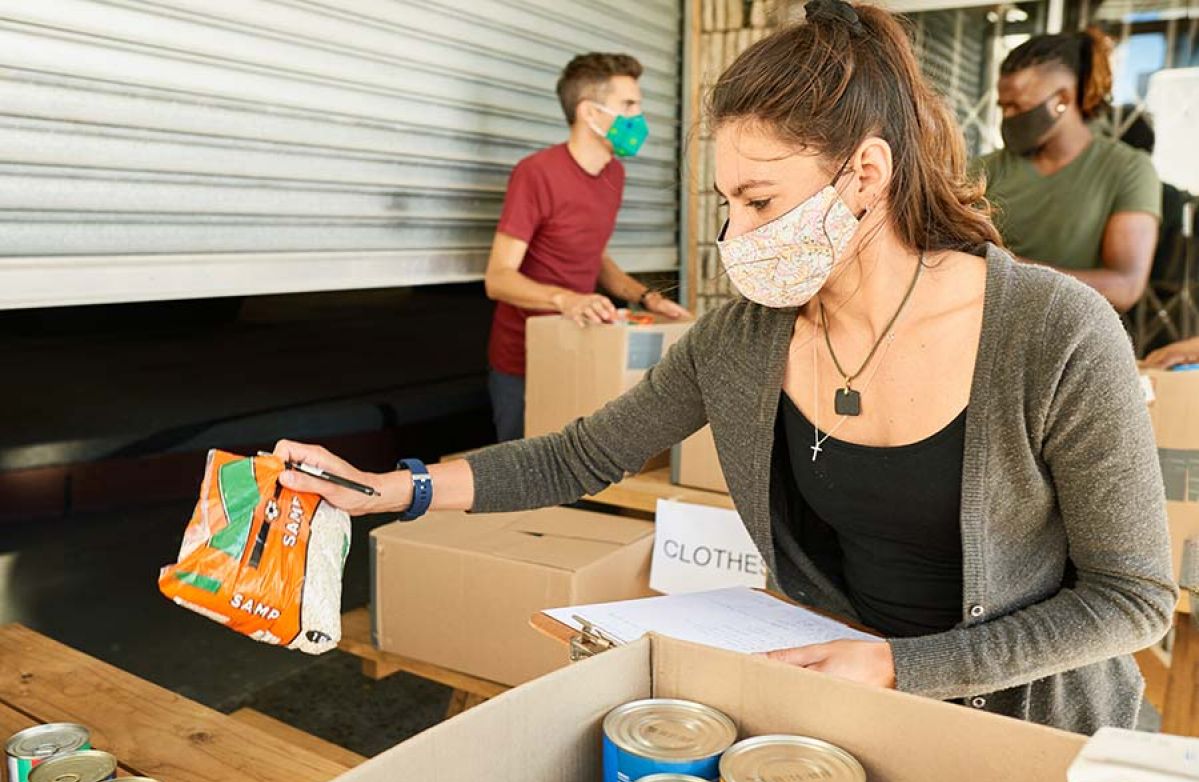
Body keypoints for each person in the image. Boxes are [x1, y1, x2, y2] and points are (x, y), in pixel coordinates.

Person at [274, 0, 1174, 735]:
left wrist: (902, 664)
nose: (733, 235)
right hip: (832, 706)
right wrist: (397, 488)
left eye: (760, 200)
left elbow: (1132, 600)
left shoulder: (1054, 334)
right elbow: (580, 456)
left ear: (865, 175)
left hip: (1030, 731)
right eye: (724, 201)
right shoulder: (745, 338)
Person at [483, 52, 691, 442]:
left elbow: (593, 255)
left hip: (579, 352)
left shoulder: (613, 173)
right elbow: (498, 278)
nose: (639, 117)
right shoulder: (536, 174)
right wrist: (567, 299)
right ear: (590, 113)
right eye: (628, 105)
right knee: (524, 487)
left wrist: (647, 298)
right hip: (524, 363)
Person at [978, 29, 1161, 312]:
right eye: (1004, 107)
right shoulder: (983, 170)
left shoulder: (1127, 170)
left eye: (1018, 106)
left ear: (1062, 99)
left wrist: (1004, 269)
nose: (1008, 117)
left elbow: (1125, 286)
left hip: (1076, 336)